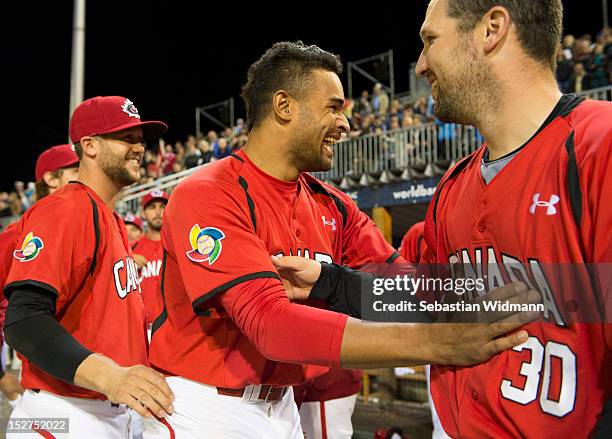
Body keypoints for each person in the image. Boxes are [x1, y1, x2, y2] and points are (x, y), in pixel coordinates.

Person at [145, 41, 538, 438]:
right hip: (206, 405)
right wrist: (437, 342)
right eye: (333, 107)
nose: (345, 124)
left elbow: (405, 289)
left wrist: (477, 294)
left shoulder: (332, 205)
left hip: (283, 406)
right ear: (284, 106)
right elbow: (271, 326)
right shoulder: (208, 192)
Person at [3, 96, 175, 438]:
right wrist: (110, 377)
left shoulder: (107, 216)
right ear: (90, 146)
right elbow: (24, 320)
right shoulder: (66, 208)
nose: (139, 148)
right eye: (126, 138)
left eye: (140, 139)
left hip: (108, 412)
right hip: (62, 412)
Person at [0, 144, 79, 410]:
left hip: (105, 392)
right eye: (76, 169)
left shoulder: (96, 225)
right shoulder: (16, 235)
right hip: (48, 390)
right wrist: (0, 377)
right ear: (51, 178)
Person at [132, 189, 169, 327]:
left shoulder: (178, 245)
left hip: (171, 327)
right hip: (141, 327)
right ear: (142, 213)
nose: (158, 212)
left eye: (163, 207)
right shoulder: (130, 249)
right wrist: (126, 260)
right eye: (152, 207)